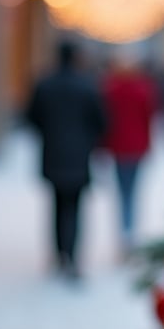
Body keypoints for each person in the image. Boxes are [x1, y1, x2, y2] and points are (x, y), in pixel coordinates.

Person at [26, 39, 106, 280]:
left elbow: (31, 117)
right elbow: (100, 121)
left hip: (53, 154)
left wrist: (50, 133)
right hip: (78, 156)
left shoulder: (45, 84)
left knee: (57, 205)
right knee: (75, 207)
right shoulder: (86, 85)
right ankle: (71, 255)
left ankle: (60, 253)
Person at [98, 48, 161, 254]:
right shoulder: (143, 89)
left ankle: (125, 232)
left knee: (122, 191)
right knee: (132, 191)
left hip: (118, 147)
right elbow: (150, 117)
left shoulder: (110, 88)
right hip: (136, 146)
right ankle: (129, 232)